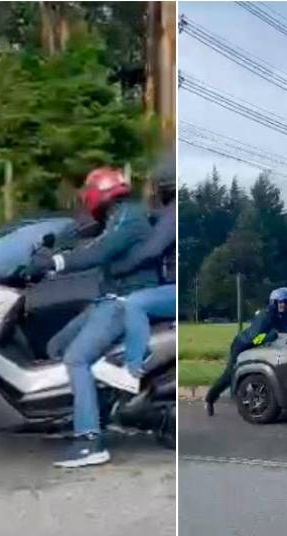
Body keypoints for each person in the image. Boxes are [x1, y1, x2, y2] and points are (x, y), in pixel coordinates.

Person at [28, 166, 157, 469]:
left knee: (76, 358)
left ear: (97, 193)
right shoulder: (116, 217)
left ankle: (89, 441)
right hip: (105, 302)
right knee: (55, 346)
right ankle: (91, 410)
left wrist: (57, 262)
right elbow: (80, 234)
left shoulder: (129, 217)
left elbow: (99, 251)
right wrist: (47, 249)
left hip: (122, 304)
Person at [98, 152, 176, 381]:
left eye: (155, 186)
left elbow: (151, 250)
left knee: (136, 303)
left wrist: (119, 268)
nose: (151, 193)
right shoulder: (166, 214)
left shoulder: (173, 214)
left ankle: (133, 371)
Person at [205, 287, 287, 416]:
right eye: (280, 302)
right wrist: (271, 336)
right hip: (243, 345)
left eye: (286, 302)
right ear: (273, 303)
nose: (283, 305)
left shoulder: (286, 317)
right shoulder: (265, 316)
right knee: (230, 373)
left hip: (261, 347)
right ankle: (210, 399)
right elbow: (256, 338)